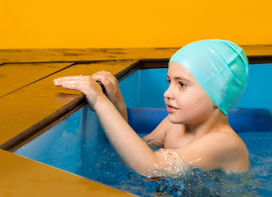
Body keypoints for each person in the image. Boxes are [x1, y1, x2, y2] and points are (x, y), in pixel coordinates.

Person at [53, 39, 250, 177]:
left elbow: (151, 167)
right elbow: (136, 150)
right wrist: (117, 101)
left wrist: (100, 102)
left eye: (181, 84)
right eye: (169, 82)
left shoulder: (224, 144)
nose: (167, 93)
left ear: (218, 95)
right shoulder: (174, 126)